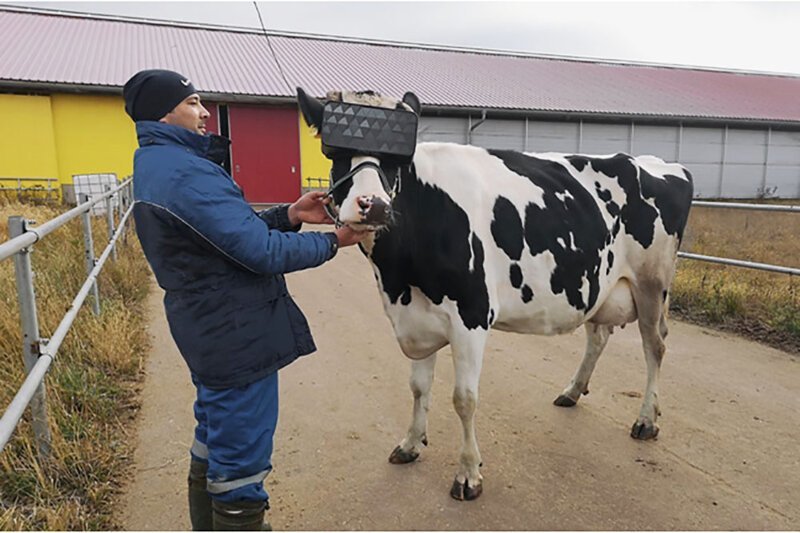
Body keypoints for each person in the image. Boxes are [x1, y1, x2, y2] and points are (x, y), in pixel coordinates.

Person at [123, 69, 366, 531]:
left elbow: (227, 236)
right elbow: (260, 252)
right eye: (192, 102)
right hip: (233, 332)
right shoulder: (184, 172)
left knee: (214, 437)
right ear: (163, 112)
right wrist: (333, 241)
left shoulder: (162, 164)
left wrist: (290, 214)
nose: (204, 112)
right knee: (241, 465)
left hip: (209, 326)